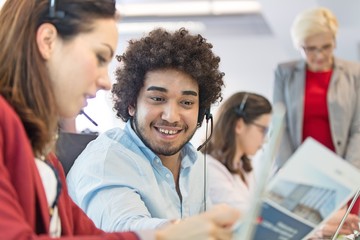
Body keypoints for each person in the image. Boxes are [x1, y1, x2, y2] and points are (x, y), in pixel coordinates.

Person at [0, 0, 240, 239]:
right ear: (48, 41)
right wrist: (168, 236)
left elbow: (85, 234)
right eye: (100, 56)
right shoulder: (8, 128)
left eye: (186, 102)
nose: (106, 80)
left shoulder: (43, 155)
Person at [66, 27, 226, 231]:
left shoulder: (195, 165)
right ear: (132, 103)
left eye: (186, 102)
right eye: (158, 99)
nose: (171, 116)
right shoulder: (105, 162)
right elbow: (126, 228)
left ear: (202, 111)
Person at [272, 7, 360, 237]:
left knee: (345, 231)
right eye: (310, 49)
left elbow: (358, 130)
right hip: (301, 175)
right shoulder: (285, 73)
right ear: (299, 46)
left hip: (347, 173)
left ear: (335, 42)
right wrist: (293, 176)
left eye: (326, 47)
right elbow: (279, 128)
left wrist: (345, 180)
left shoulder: (355, 74)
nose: (319, 55)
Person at [201, 92, 271, 213]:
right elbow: (244, 215)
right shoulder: (208, 168)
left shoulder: (244, 167)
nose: (265, 139)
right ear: (239, 125)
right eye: (262, 130)